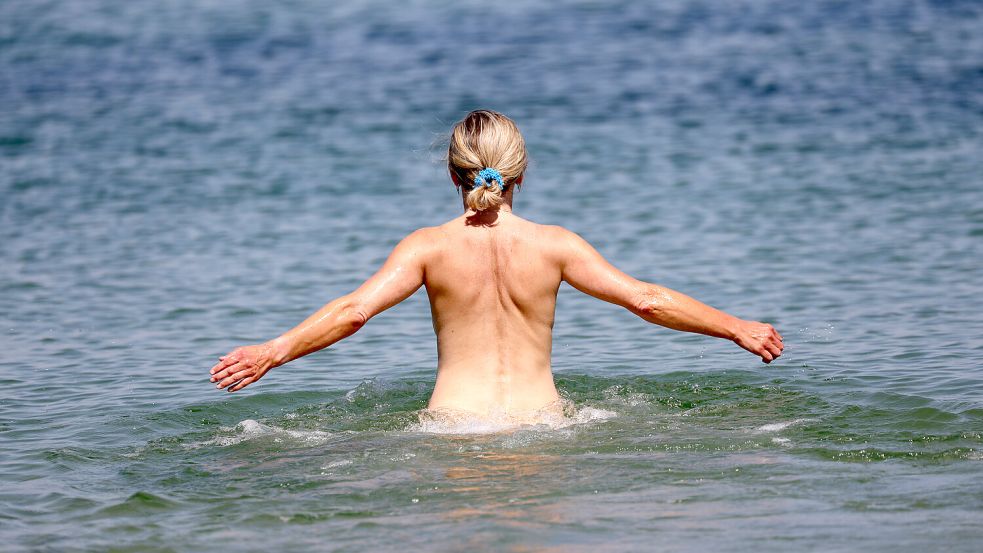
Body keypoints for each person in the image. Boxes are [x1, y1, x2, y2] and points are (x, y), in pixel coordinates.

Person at [209, 110, 784, 421]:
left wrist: (272, 351)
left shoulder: (426, 247)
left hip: (452, 431)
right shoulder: (555, 244)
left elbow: (355, 313)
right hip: (546, 427)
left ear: (453, 174)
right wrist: (738, 327)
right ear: (522, 175)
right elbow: (645, 299)